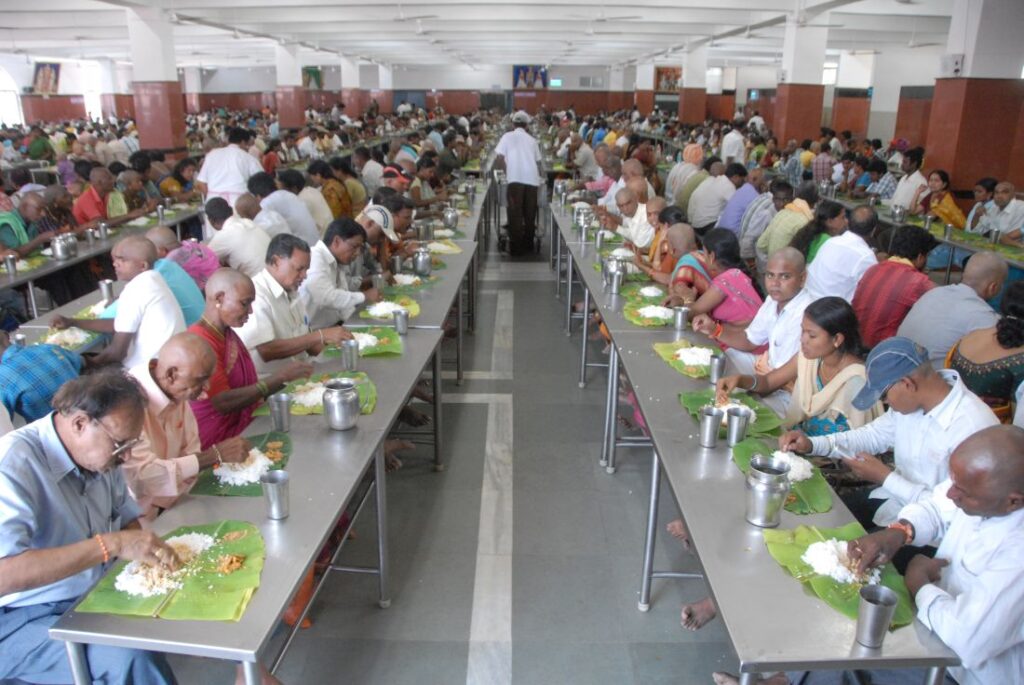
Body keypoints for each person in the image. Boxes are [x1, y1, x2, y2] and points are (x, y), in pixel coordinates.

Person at [687, 298, 884, 632]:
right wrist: (741, 381)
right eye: (802, 333)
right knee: (742, 473)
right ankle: (715, 555)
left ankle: (722, 600)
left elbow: (859, 452)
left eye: (811, 336)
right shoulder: (809, 359)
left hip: (839, 470)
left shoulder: (857, 381)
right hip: (796, 448)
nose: (803, 342)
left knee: (769, 505)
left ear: (837, 339)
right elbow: (769, 382)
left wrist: (806, 453)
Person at [0, 369, 178, 684]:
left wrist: (151, 558)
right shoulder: (14, 463)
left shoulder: (102, 457)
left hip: (89, 593)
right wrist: (110, 545)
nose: (125, 458)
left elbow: (127, 522)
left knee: (178, 601)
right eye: (120, 445)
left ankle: (246, 673)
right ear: (80, 423)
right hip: (20, 617)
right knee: (131, 657)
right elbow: (4, 575)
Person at [811, 425, 1024, 685]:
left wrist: (920, 583)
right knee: (831, 634)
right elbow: (936, 507)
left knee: (835, 663)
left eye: (962, 492)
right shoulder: (983, 490)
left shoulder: (1017, 554)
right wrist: (900, 532)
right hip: (931, 630)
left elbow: (968, 639)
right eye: (953, 482)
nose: (951, 493)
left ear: (1013, 501)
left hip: (961, 672)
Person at [779, 337, 998, 530]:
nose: (885, 403)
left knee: (855, 557)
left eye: (884, 397)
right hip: (894, 500)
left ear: (907, 384)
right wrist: (812, 444)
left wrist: (884, 477)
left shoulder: (971, 428)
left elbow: (951, 509)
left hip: (935, 529)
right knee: (820, 521)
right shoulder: (911, 405)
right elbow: (873, 435)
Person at [123, 332, 251, 521]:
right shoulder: (126, 402)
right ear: (171, 375)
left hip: (175, 503)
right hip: (138, 520)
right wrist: (214, 455)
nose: (207, 387)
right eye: (201, 379)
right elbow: (143, 478)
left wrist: (191, 468)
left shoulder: (176, 389)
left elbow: (191, 451)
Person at [189, 268, 311, 449]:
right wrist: (280, 378)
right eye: (245, 303)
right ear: (219, 298)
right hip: (219, 441)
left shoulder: (226, 333)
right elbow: (222, 402)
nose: (251, 311)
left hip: (245, 423)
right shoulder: (200, 342)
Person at [694, 247, 811, 416]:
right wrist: (714, 329)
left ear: (802, 278)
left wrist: (747, 388)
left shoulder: (805, 314)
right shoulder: (773, 300)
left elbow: (778, 379)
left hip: (787, 390)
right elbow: (749, 341)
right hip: (766, 370)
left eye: (785, 276)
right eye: (770, 275)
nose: (775, 283)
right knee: (727, 357)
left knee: (743, 408)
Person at [52, 236, 185, 369]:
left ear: (142, 266)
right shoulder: (154, 279)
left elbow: (117, 352)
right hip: (170, 362)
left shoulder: (136, 289)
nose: (115, 264)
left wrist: (83, 366)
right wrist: (73, 322)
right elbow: (119, 324)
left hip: (150, 369)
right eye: (114, 259)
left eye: (122, 260)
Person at [235, 233, 351, 375]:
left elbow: (308, 344)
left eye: (306, 270)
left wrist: (342, 354)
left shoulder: (292, 291)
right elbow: (267, 351)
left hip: (302, 372)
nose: (304, 275)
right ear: (276, 261)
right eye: (299, 269)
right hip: (273, 384)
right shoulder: (257, 294)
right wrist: (320, 335)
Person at [899, 251, 1007, 368]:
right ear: (993, 287)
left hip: (894, 367)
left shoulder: (934, 292)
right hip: (926, 381)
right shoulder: (986, 318)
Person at [947, 281, 1024, 420]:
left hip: (947, 414)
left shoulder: (970, 336)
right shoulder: (1020, 362)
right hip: (989, 431)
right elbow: (1018, 423)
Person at [851, 225, 938, 348]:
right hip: (882, 351)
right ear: (920, 257)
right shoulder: (919, 282)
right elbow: (941, 303)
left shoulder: (873, 268)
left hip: (854, 343)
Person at [301, 218, 380, 327]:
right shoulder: (315, 257)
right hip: (313, 335)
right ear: (336, 241)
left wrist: (362, 326)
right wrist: (364, 296)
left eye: (360, 249)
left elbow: (344, 305)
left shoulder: (338, 262)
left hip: (332, 327)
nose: (357, 253)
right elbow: (325, 296)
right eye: (354, 247)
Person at [680, 228, 762, 327]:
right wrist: (680, 301)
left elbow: (691, 314)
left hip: (738, 340)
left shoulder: (724, 281)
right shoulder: (737, 274)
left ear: (712, 256)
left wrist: (688, 300)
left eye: (704, 253)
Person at [0, 330, 82, 423]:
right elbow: (82, 363)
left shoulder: (3, 378)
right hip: (90, 415)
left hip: (55, 432)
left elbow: (3, 424)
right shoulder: (48, 348)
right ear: (7, 335)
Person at [805, 205, 879, 302]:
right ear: (874, 230)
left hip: (807, 298)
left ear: (847, 223)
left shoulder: (831, 241)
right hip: (829, 310)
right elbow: (868, 296)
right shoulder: (866, 257)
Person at [495, 111, 541, 256]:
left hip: (515, 179)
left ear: (513, 124)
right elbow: (538, 161)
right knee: (529, 213)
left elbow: (499, 158)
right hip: (532, 180)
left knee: (515, 213)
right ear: (527, 125)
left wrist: (507, 170)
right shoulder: (532, 140)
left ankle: (516, 248)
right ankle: (529, 245)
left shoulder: (507, 136)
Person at [195, 126, 263, 211]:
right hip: (239, 204)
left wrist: (213, 195)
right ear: (243, 142)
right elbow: (261, 183)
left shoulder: (212, 155)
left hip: (214, 204)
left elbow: (201, 183)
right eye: (247, 145)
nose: (247, 148)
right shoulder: (248, 158)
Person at [206, 196, 271, 278]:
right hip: (275, 273)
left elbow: (203, 261)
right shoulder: (247, 221)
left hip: (259, 283)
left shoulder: (223, 236)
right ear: (231, 210)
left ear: (211, 221)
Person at [251, 171, 320, 247]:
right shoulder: (286, 193)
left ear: (257, 196)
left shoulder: (268, 202)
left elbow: (257, 225)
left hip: (306, 247)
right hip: (315, 240)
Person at [755, 181, 817, 265]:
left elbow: (760, 244)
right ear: (815, 203)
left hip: (771, 265)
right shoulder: (805, 222)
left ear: (794, 198)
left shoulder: (782, 212)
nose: (782, 203)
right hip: (786, 268)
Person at [146, 224, 220, 292]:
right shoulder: (191, 245)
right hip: (220, 280)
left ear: (162, 251)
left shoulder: (169, 263)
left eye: (150, 250)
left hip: (207, 292)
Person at [740, 179, 792, 272]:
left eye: (786, 199)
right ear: (773, 199)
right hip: (764, 264)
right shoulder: (766, 215)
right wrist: (751, 262)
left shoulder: (788, 213)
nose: (782, 203)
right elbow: (749, 238)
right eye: (778, 199)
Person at [689, 162, 745, 234]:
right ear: (736, 177)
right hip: (706, 226)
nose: (742, 184)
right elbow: (738, 209)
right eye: (742, 180)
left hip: (696, 224)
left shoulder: (715, 180)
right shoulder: (729, 186)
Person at [788, 199, 847, 264]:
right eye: (843, 217)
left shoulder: (813, 232)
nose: (846, 221)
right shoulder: (827, 241)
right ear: (830, 222)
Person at [716, 167, 763, 234]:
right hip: (731, 234)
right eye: (762, 180)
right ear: (755, 179)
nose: (763, 182)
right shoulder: (754, 195)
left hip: (721, 229)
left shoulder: (742, 189)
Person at [291, 164, 333, 234]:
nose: (312, 179)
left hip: (325, 235)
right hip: (330, 227)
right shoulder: (311, 190)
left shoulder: (302, 199)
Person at [890, 146, 927, 210]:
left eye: (905, 162)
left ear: (914, 164)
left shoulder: (921, 182)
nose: (901, 164)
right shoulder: (903, 178)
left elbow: (920, 205)